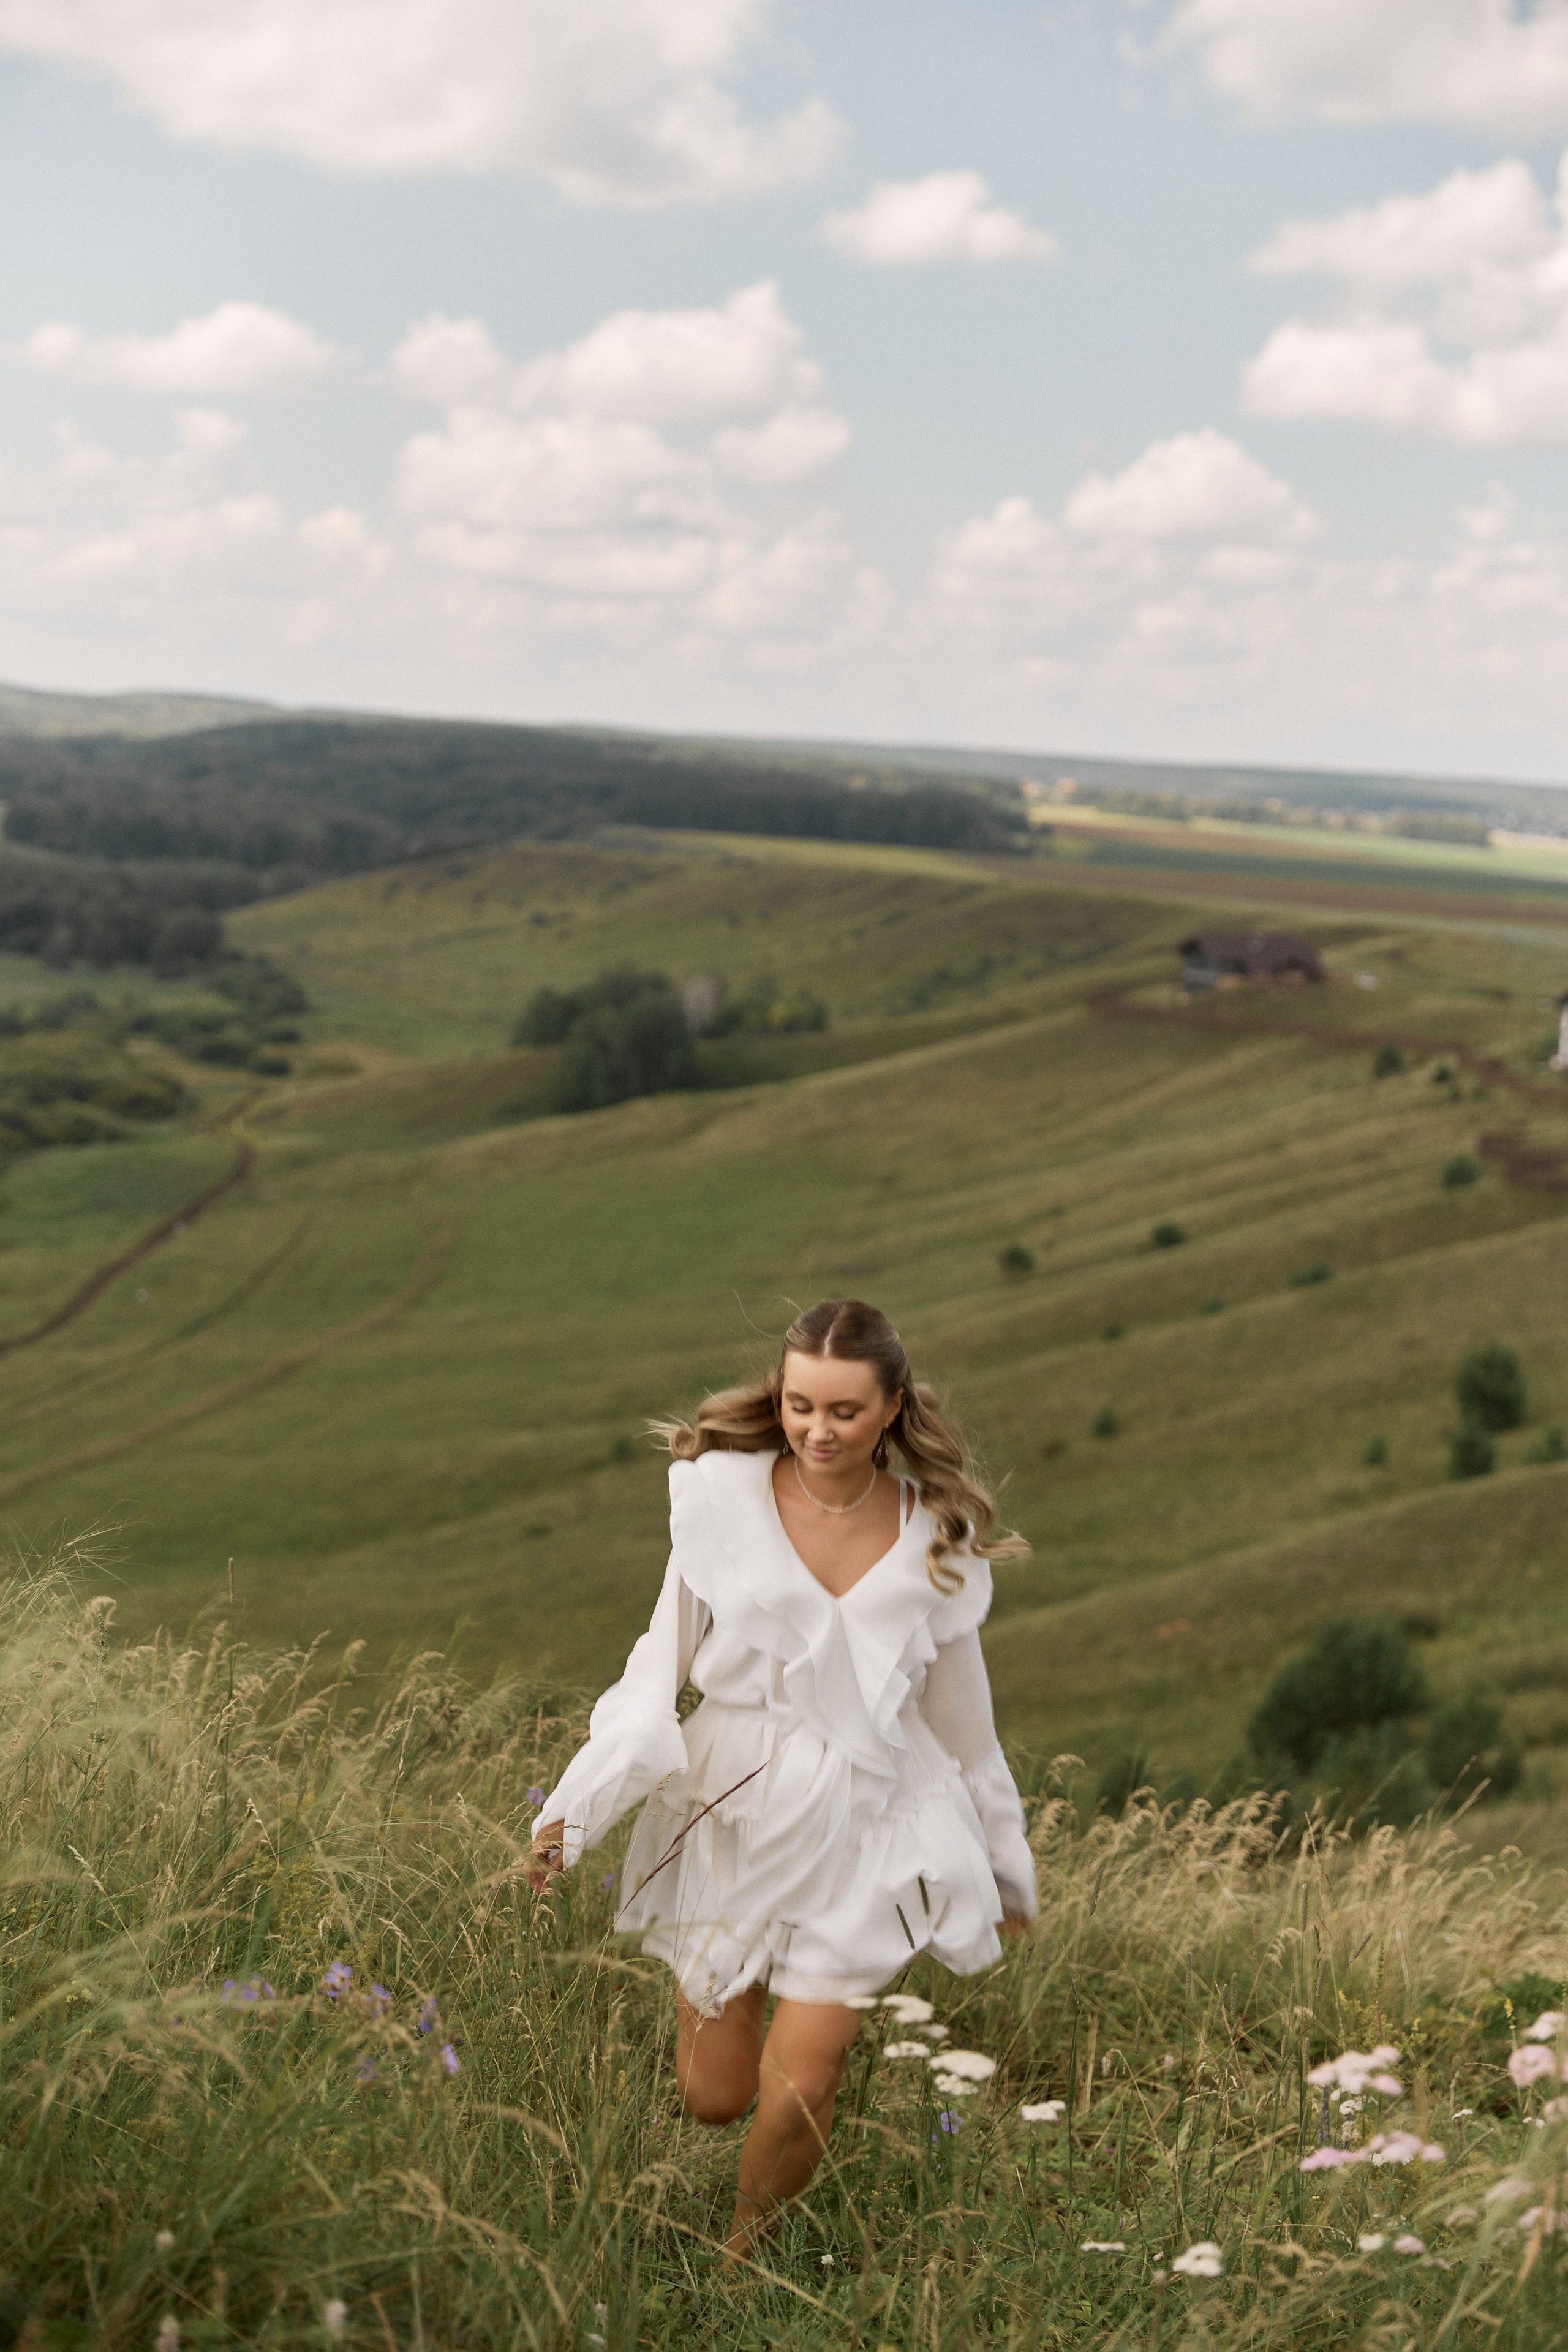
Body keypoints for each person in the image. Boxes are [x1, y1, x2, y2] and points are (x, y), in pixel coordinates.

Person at [527, 1298, 1036, 2256]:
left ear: (892, 1408)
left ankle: (741, 2262)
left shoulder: (937, 1540)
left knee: (804, 2083)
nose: (818, 1430)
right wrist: (574, 1811)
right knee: (714, 2097)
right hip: (733, 1802)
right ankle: (728, 2025)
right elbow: (654, 1670)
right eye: (801, 1405)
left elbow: (967, 1729)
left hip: (871, 1813)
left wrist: (1007, 1863)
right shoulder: (719, 1502)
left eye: (844, 1411)